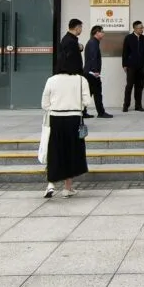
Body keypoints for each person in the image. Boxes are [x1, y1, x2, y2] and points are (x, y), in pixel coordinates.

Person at [40, 60, 92, 198]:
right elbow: (87, 102)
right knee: (72, 152)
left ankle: (51, 183)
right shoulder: (81, 80)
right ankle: (67, 188)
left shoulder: (51, 80)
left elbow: (44, 104)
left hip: (56, 119)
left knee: (55, 150)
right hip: (74, 118)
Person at [59, 19, 87, 117]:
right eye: (81, 28)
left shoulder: (70, 39)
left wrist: (80, 47)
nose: (81, 30)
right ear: (77, 28)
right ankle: (76, 113)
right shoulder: (70, 41)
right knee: (74, 95)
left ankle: (80, 113)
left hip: (73, 73)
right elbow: (70, 60)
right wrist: (74, 74)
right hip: (72, 73)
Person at [83, 25, 112, 119]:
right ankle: (101, 112)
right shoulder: (93, 43)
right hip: (92, 73)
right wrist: (95, 71)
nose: (103, 33)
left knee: (90, 93)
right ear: (96, 33)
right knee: (97, 93)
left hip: (89, 72)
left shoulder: (93, 42)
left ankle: (83, 112)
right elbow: (93, 57)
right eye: (102, 32)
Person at [122, 20, 144, 112]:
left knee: (140, 86)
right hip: (131, 65)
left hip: (141, 66)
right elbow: (125, 52)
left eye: (142, 28)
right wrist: (124, 64)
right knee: (129, 85)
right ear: (134, 28)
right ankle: (126, 105)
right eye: (140, 28)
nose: (142, 29)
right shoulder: (128, 38)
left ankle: (138, 105)